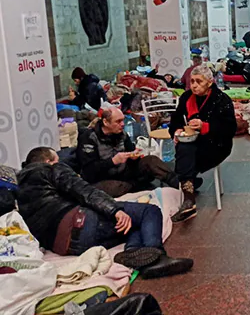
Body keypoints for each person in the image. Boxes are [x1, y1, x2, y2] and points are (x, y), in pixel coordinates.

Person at [17, 147, 193, 279]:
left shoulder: (20, 187)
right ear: (48, 161)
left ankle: (135, 253)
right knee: (149, 211)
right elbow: (85, 191)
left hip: (64, 246)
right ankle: (156, 257)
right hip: (79, 224)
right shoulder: (51, 170)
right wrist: (114, 210)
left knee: (132, 222)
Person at [169, 64, 237, 222]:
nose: (194, 85)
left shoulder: (221, 100)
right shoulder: (186, 98)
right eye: (192, 81)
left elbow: (229, 128)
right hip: (192, 144)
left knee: (185, 153)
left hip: (216, 145)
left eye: (199, 81)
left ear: (209, 82)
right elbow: (176, 121)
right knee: (185, 148)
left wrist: (205, 126)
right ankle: (189, 194)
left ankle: (188, 192)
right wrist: (177, 131)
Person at [77, 107, 179, 197]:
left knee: (151, 160)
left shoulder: (122, 134)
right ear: (106, 122)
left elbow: (131, 152)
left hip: (124, 173)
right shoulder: (88, 138)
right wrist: (113, 161)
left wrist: (134, 156)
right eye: (118, 121)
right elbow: (89, 171)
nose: (122, 124)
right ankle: (137, 187)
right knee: (116, 187)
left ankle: (178, 183)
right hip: (101, 180)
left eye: (123, 120)